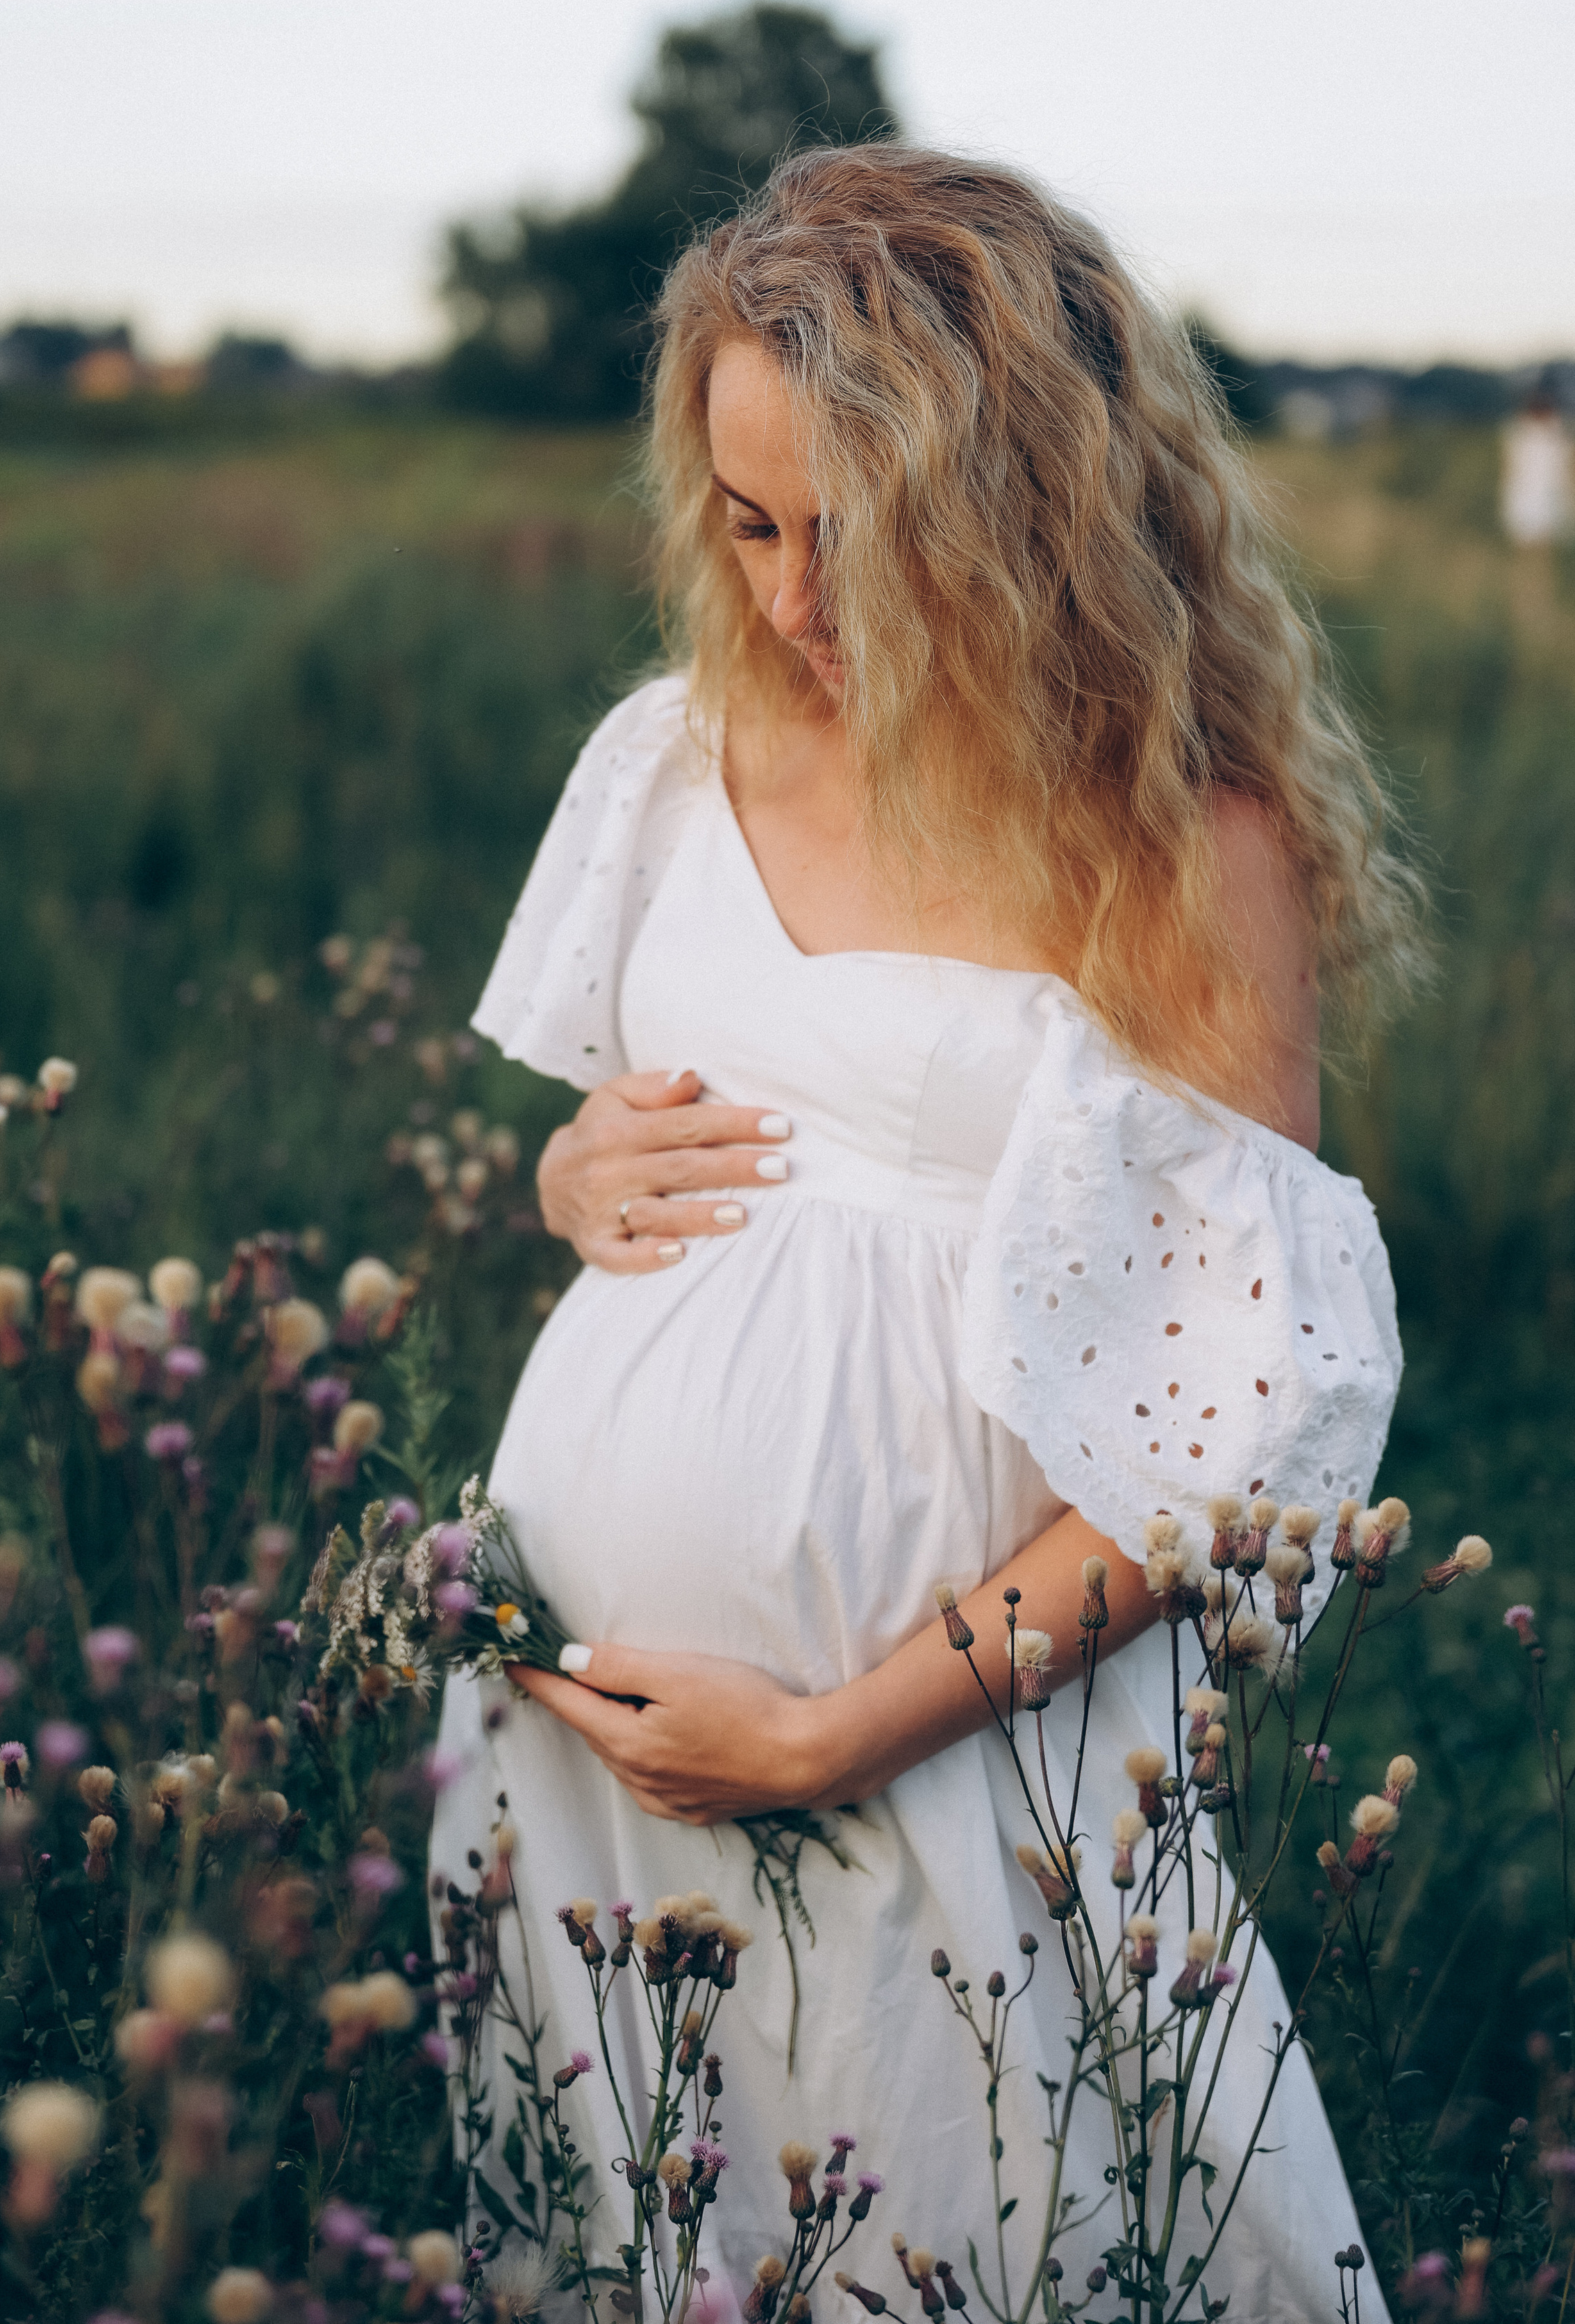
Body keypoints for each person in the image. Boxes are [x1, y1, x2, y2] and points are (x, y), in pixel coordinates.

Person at [431, 147, 1425, 2317]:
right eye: (747, 524)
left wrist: (831, 1733)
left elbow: (1217, 1443)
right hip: (585, 1757)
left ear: (1025, 512)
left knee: (963, 2223)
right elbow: (648, 1136)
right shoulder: (672, 759)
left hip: (942, 1765)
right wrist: (560, 1175)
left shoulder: (1174, 849)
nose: (786, 603)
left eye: (857, 536)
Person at [1500, 379, 1572, 547]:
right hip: (1538, 496)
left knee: (1531, 548)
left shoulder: (1519, 434)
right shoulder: (1555, 435)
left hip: (1537, 496)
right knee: (1539, 548)